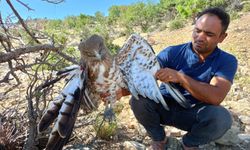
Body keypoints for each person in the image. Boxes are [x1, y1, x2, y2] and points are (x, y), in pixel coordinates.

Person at [102, 7, 238, 150]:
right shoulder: (172, 52)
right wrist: (120, 92)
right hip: (164, 106)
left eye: (209, 34)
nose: (200, 37)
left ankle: (189, 143)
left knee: (221, 119)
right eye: (197, 30)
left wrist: (180, 77)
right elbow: (145, 76)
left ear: (222, 37)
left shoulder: (227, 61)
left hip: (194, 113)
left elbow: (216, 97)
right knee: (138, 101)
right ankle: (159, 139)